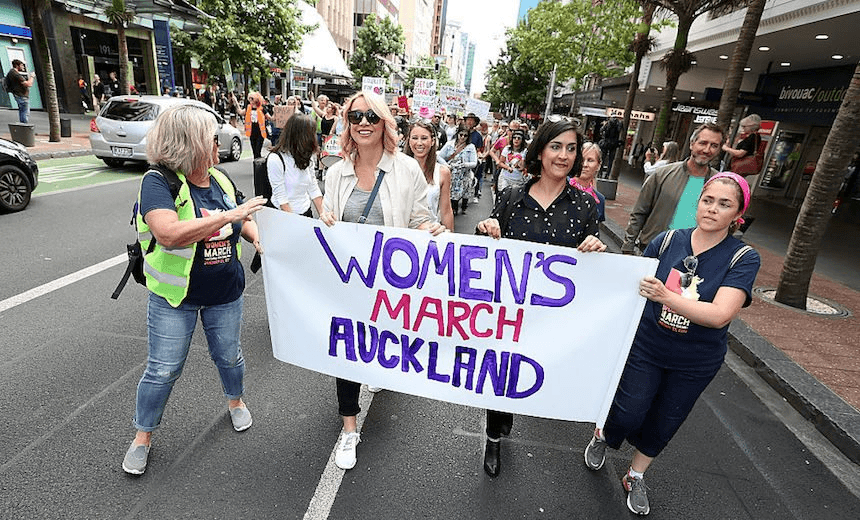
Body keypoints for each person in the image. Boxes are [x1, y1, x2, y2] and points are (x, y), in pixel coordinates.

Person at [583, 172, 761, 515]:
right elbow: (629, 287)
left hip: (695, 361)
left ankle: (635, 474)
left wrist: (666, 296)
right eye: (707, 200)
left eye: (724, 204)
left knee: (667, 419)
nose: (712, 209)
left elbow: (720, 314)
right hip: (646, 347)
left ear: (738, 215)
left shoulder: (743, 258)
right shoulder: (666, 241)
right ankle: (604, 434)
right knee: (628, 410)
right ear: (698, 203)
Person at [121, 104, 268, 475]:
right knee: (163, 369)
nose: (217, 142)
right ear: (189, 143)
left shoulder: (218, 179)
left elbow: (243, 218)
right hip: (175, 299)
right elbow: (168, 234)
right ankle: (143, 435)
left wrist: (258, 238)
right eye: (211, 137)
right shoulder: (158, 182)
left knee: (230, 356)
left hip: (225, 293)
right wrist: (229, 217)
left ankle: (235, 401)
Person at [318, 91, 446, 471]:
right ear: (347, 122)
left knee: (376, 345)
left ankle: (375, 370)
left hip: (390, 287)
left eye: (371, 117)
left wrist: (429, 228)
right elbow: (328, 216)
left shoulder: (406, 170)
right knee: (347, 352)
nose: (362, 123)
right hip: (349, 282)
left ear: (385, 123)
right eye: (355, 116)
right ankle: (349, 428)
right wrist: (325, 220)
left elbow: (417, 218)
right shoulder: (335, 171)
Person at [476, 119, 607, 478]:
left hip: (553, 318)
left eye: (570, 148)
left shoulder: (585, 206)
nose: (563, 155)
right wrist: (484, 228)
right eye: (556, 147)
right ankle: (493, 436)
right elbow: (486, 246)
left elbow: (590, 266)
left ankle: (509, 415)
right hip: (509, 314)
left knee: (533, 374)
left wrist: (596, 249)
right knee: (500, 375)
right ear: (541, 150)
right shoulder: (512, 197)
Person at [621, 123, 725, 255]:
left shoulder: (720, 183)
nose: (707, 150)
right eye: (703, 143)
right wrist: (627, 247)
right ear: (692, 144)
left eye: (714, 146)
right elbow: (639, 212)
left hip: (694, 254)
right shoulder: (662, 174)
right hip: (655, 249)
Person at [267, 113, 323, 217]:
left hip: (306, 212)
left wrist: (323, 214)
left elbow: (313, 186)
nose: (314, 138)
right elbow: (281, 198)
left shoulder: (307, 155)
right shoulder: (276, 159)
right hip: (284, 215)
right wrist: (294, 222)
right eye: (311, 134)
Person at [404, 120, 454, 231]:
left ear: (432, 141)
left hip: (430, 234)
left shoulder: (442, 172)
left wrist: (450, 241)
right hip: (402, 234)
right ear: (408, 141)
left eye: (424, 138)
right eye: (415, 138)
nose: (419, 143)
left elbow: (446, 211)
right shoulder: (398, 169)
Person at [439, 123, 478, 216]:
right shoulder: (449, 144)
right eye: (461, 135)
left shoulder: (470, 147)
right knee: (452, 193)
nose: (463, 137)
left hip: (464, 175)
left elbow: (474, 162)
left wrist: (465, 164)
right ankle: (453, 209)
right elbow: (440, 156)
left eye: (465, 135)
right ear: (457, 134)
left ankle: (464, 206)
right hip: (451, 173)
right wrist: (446, 165)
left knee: (464, 193)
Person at [570, 142, 606, 222]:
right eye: (581, 159)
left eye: (590, 160)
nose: (584, 164)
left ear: (598, 165)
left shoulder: (599, 200)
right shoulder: (561, 187)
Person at [236, 91, 270, 159]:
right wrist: (236, 103)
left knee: (258, 151)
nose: (250, 100)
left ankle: (258, 165)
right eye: (250, 99)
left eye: (252, 98)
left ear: (257, 99)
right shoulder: (248, 107)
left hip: (260, 132)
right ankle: (256, 165)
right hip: (251, 132)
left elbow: (269, 117)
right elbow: (241, 112)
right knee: (254, 151)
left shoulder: (262, 108)